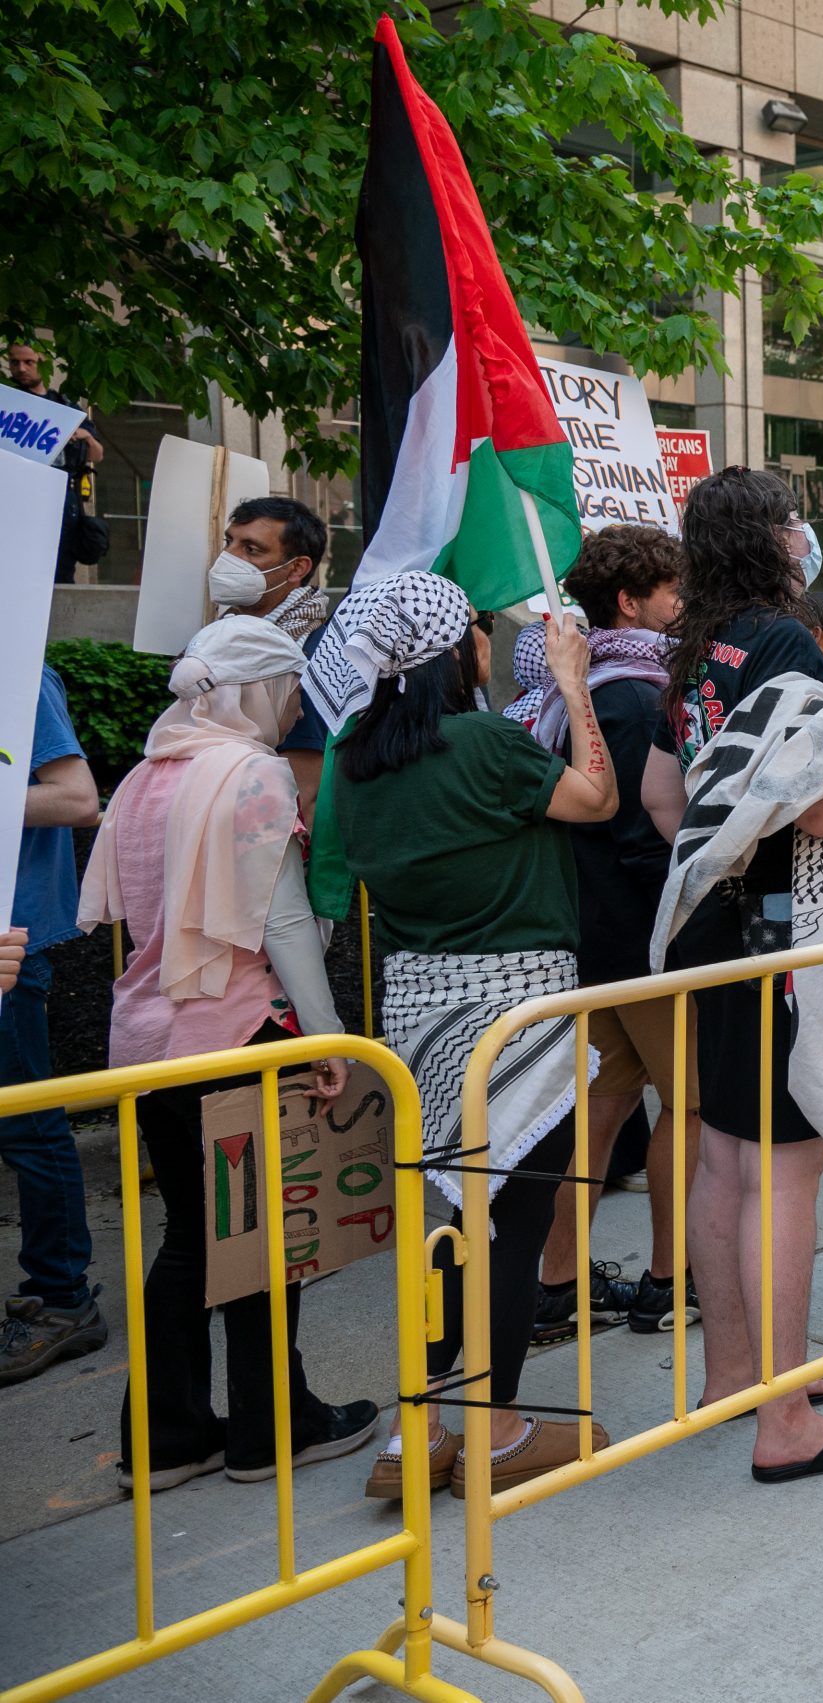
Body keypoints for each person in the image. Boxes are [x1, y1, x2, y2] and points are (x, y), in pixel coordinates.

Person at [637, 467, 823, 1481]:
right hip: (777, 933)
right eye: (794, 519)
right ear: (767, 536)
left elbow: (663, 795)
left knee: (723, 1158)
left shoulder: (694, 646)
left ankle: (737, 1376)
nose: (807, 534)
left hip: (712, 926)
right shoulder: (783, 642)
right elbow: (822, 807)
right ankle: (787, 1418)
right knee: (784, 1169)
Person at [328, 574, 620, 1497]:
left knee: (456, 1222)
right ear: (458, 655)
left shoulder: (356, 761)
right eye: (478, 635)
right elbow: (594, 798)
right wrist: (574, 683)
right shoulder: (483, 743)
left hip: (417, 1013)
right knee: (510, 1220)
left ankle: (418, 1427)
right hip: (516, 1011)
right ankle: (494, 1433)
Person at [76, 618, 377, 1488]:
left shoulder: (142, 775)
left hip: (146, 1038)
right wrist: (329, 1039)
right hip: (240, 1031)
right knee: (260, 1244)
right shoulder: (253, 773)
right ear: (253, 690)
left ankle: (169, 1438)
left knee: (190, 1242)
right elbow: (281, 921)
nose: (293, 708)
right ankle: (273, 1429)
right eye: (287, 689)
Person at [496, 525, 700, 1344]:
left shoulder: (577, 689)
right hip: (640, 938)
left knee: (604, 1110)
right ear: (629, 600)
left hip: (588, 934)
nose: (681, 604)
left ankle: (558, 1285)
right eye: (672, 590)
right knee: (684, 1106)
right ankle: (665, 1279)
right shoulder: (628, 692)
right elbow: (634, 830)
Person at [0, 666, 104, 1387]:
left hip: (12, 939)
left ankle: (63, 1297)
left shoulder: (21, 672)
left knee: (27, 1123)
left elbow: (78, 799)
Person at [215, 497, 337, 811]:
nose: (228, 558)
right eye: (229, 542)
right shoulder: (220, 637)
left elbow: (300, 792)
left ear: (297, 568)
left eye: (251, 549)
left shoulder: (310, 655)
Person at [7, 343, 104, 584]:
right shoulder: (6, 404)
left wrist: (86, 436)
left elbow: (97, 455)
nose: (21, 368)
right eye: (14, 362)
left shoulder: (64, 406)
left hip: (59, 498)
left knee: (58, 572)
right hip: (12, 497)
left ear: (44, 364)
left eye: (29, 362)